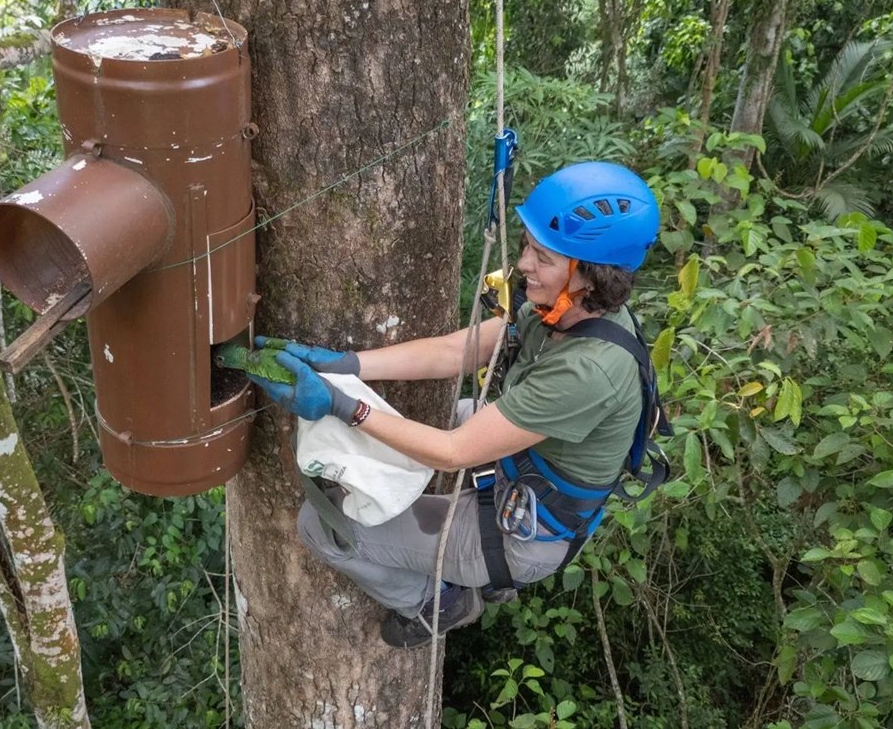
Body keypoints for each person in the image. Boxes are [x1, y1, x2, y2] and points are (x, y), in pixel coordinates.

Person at [249, 161, 663, 648]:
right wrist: (347, 365)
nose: (525, 264)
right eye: (528, 246)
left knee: (320, 525)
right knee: (415, 418)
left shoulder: (588, 370)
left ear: (590, 278)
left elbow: (451, 452)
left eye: (543, 257)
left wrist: (344, 407)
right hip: (525, 458)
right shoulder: (564, 308)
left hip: (521, 535)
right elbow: (455, 351)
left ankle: (432, 600)